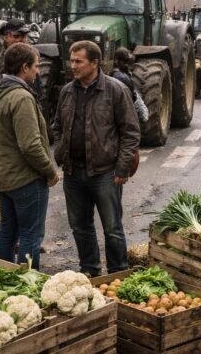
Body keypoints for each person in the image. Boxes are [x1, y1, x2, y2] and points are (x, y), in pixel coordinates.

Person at [52, 40, 141, 276]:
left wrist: (122, 168)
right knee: (80, 227)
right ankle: (90, 270)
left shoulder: (115, 90)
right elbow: (57, 126)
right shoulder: (67, 92)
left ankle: (117, 272)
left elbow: (131, 132)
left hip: (105, 173)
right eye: (71, 61)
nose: (73, 66)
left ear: (95, 63)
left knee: (112, 227)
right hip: (73, 172)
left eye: (78, 61)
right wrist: (60, 151)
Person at [0, 43, 59, 270]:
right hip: (25, 179)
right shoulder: (21, 97)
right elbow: (30, 145)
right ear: (24, 67)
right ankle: (27, 283)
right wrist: (50, 171)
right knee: (30, 235)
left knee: (8, 232)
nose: (37, 71)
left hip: (1, 177)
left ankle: (3, 280)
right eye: (36, 66)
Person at [0, 19, 41, 104]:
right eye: (17, 36)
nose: (22, 40)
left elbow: (39, 97)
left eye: (24, 36)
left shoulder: (32, 64)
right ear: (6, 37)